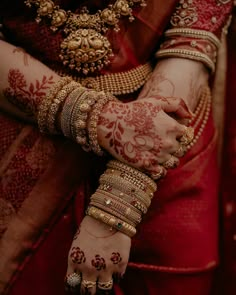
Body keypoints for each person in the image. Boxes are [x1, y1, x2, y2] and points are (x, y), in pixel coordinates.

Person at [0, 0, 233, 294]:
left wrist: (123, 195)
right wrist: (103, 120)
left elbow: (193, 42)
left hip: (168, 142)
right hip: (23, 138)